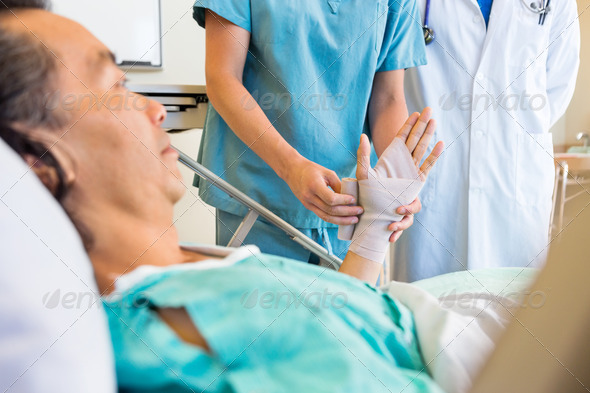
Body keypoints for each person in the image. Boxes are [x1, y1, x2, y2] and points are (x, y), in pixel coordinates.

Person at [0, 3, 533, 393]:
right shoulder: (169, 330)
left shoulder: (204, 277)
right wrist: (294, 167)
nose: (156, 109)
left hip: (392, 260)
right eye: (116, 86)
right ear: (41, 164)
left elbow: (330, 318)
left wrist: (380, 211)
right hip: (263, 186)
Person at [192, 0, 428, 262]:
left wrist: (397, 180)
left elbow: (387, 97)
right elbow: (223, 77)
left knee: (350, 302)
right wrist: (291, 167)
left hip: (351, 203)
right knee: (260, 301)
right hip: (259, 196)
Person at [396, 0, 581, 281]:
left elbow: (556, 88)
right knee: (426, 312)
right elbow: (390, 86)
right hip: (434, 193)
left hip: (514, 192)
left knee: (515, 317)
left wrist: (509, 137)